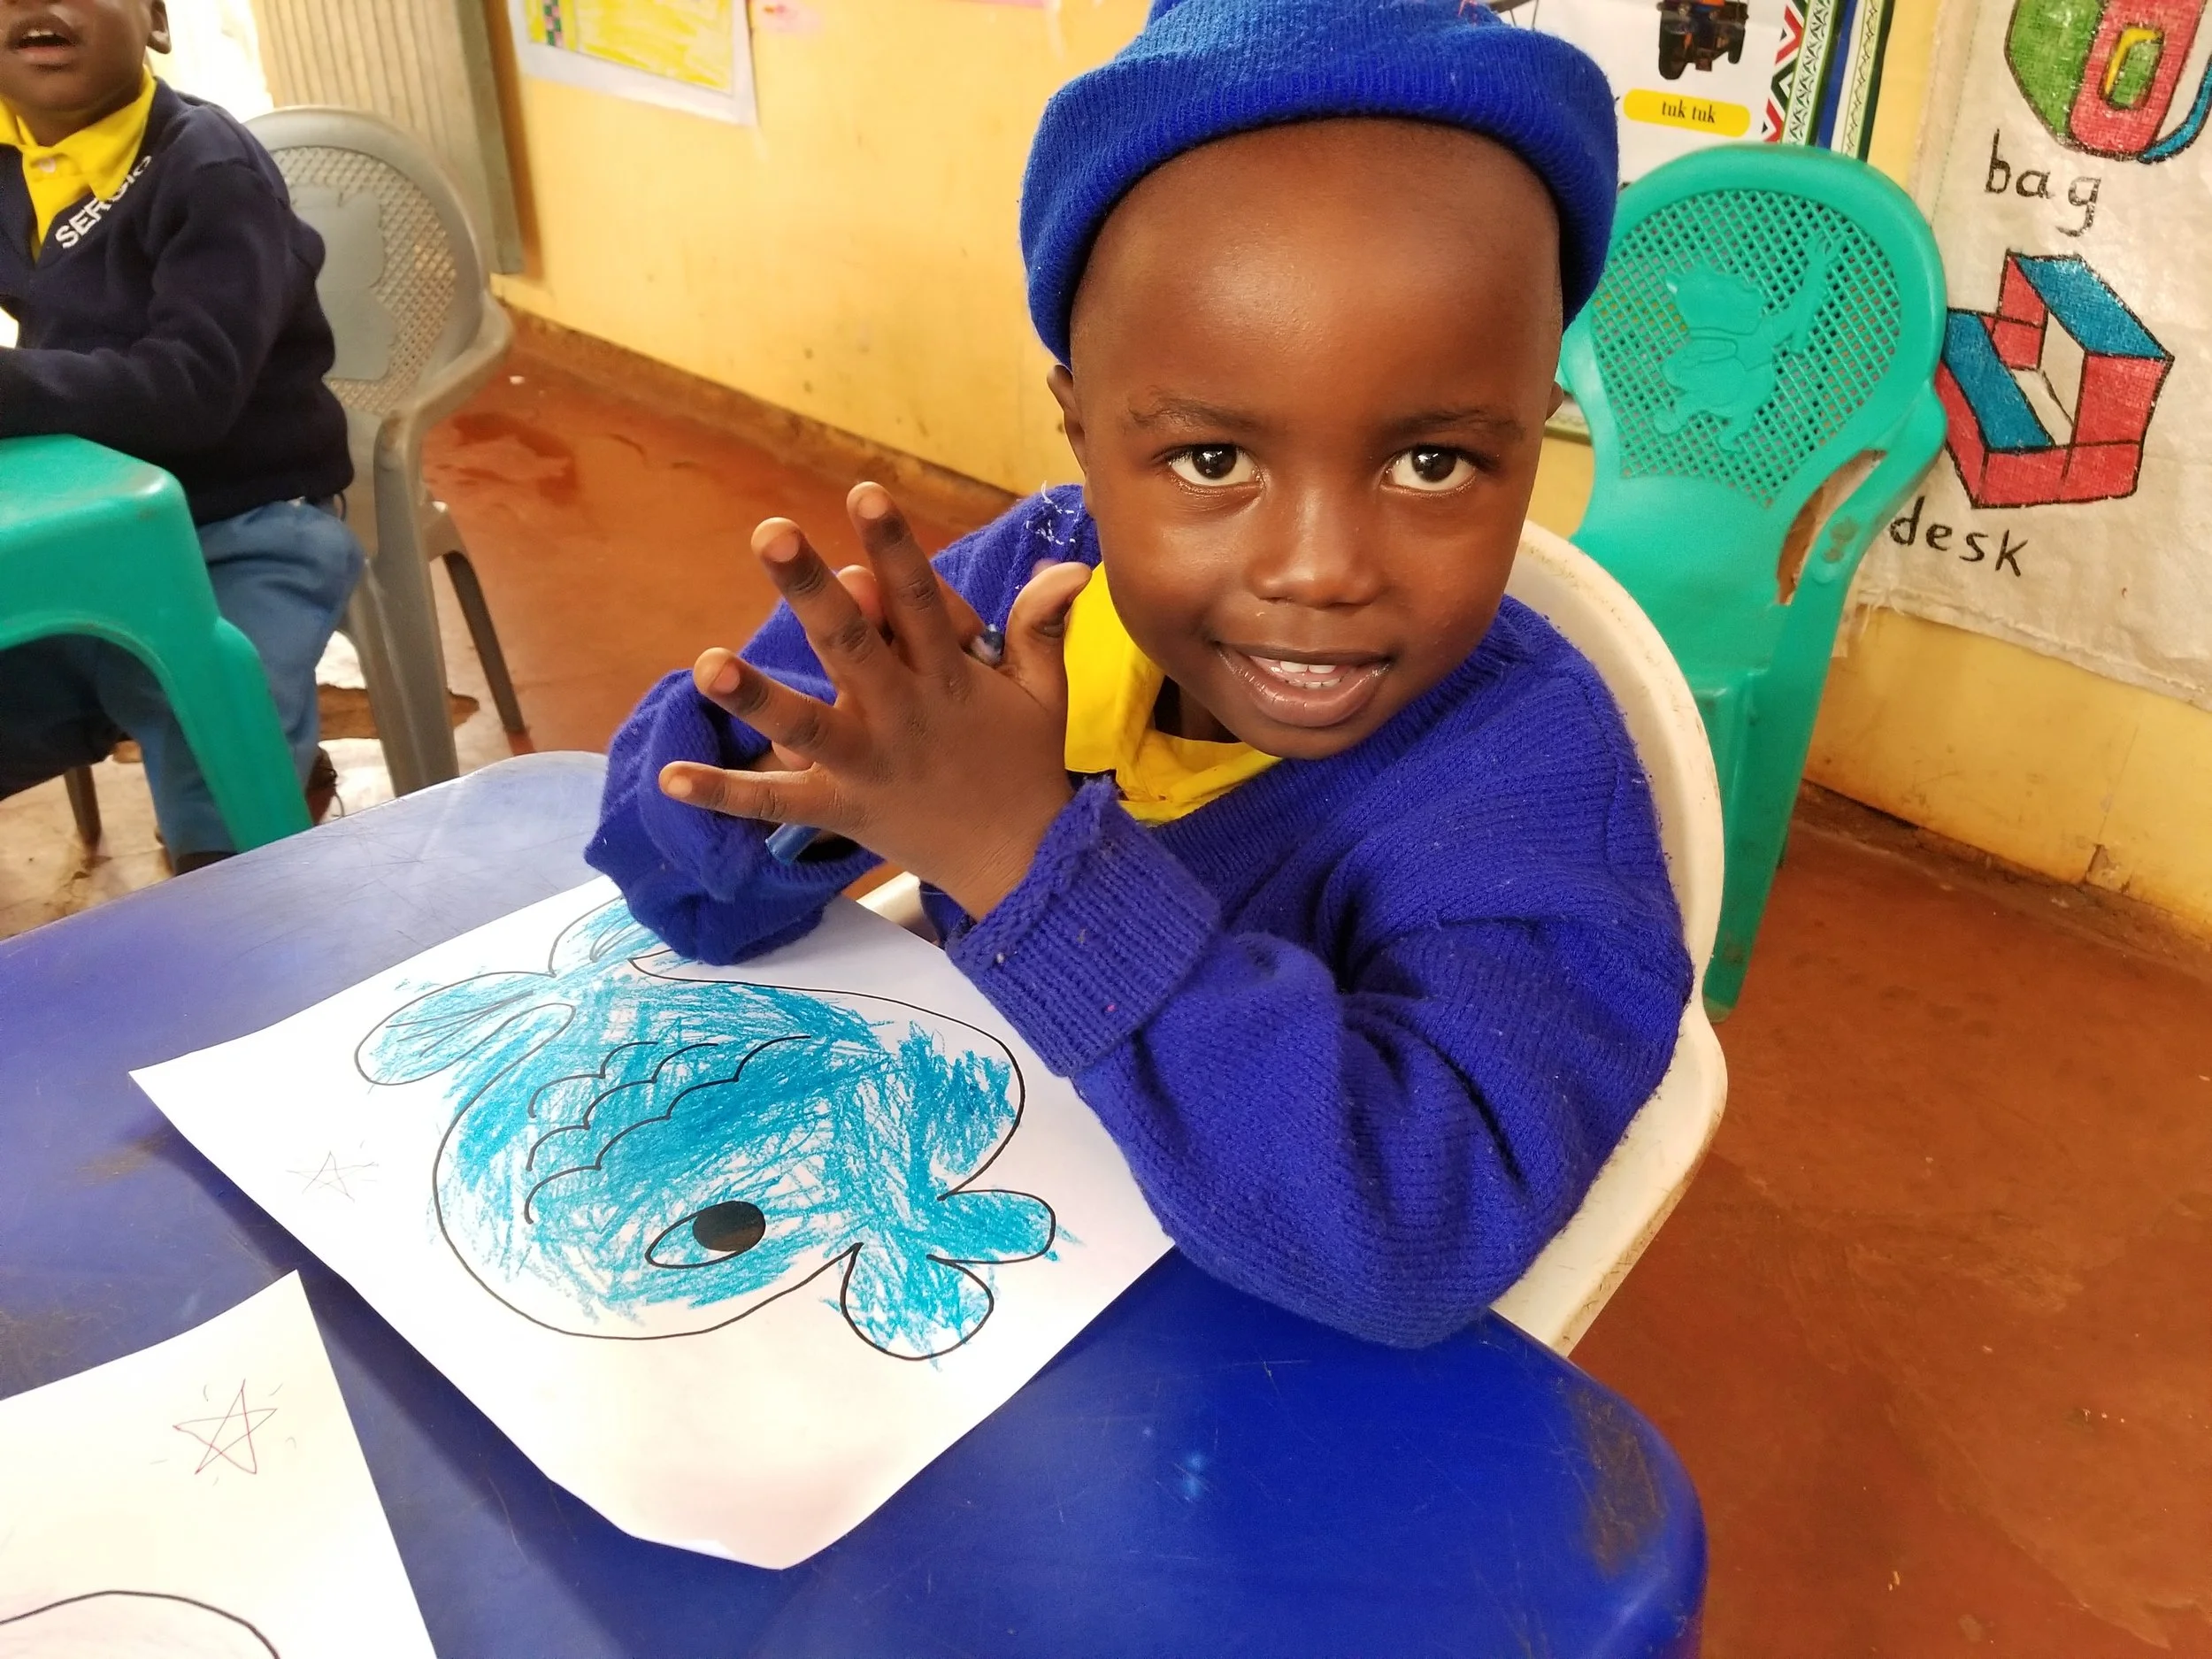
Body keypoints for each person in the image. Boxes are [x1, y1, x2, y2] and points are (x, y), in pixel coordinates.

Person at [588, 0, 1695, 1346]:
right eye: (1213, 461)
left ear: (1536, 434)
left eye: (1435, 461)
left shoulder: (1531, 783)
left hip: (1242, 1395)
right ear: (1083, 434)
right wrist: (837, 781)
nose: (1320, 567)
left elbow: (1416, 1236)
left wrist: (1016, 848)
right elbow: (668, 883)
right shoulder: (1016, 590)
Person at [0, 0, 362, 870]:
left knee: (224, 807)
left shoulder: (209, 169)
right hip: (91, 518)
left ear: (156, 20)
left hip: (245, 523)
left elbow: (191, 394)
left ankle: (266, 827)